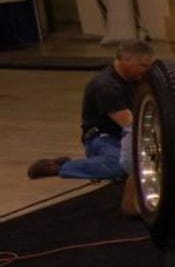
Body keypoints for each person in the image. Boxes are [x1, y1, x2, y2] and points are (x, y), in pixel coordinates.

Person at [27, 40, 154, 190]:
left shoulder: (135, 80)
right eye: (143, 66)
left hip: (122, 136)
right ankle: (61, 167)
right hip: (102, 139)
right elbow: (131, 124)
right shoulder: (106, 87)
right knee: (121, 165)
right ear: (127, 60)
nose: (146, 70)